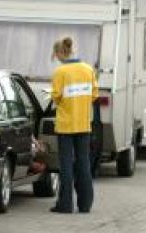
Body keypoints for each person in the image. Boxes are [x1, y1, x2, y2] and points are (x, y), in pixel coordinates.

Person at [50, 37, 98, 213]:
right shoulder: (88, 69)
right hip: (84, 124)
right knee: (83, 164)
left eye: (55, 55)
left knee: (66, 165)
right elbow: (94, 95)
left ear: (60, 53)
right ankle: (85, 204)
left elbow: (56, 96)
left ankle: (65, 204)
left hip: (65, 126)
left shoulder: (60, 72)